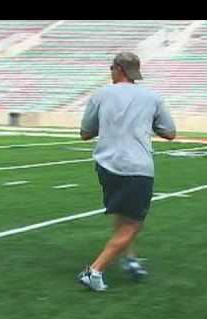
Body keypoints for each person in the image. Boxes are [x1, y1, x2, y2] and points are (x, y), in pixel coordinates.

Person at [78, 52, 176, 291]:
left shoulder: (100, 95)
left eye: (111, 67)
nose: (110, 71)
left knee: (123, 215)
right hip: (137, 166)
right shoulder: (152, 97)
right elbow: (170, 133)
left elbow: (85, 133)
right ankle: (95, 271)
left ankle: (130, 259)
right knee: (133, 223)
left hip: (106, 165)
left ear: (119, 68)